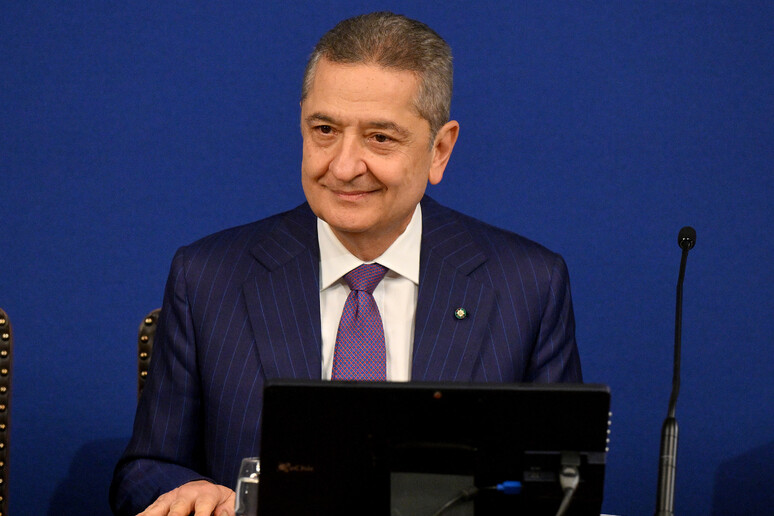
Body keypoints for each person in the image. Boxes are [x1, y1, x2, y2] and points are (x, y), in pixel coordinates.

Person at [110, 11, 582, 516]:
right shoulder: (208, 278)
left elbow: (564, 485)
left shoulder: (527, 285)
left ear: (439, 150)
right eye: (325, 129)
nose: (343, 165)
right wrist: (190, 493)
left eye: (380, 137)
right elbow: (147, 467)